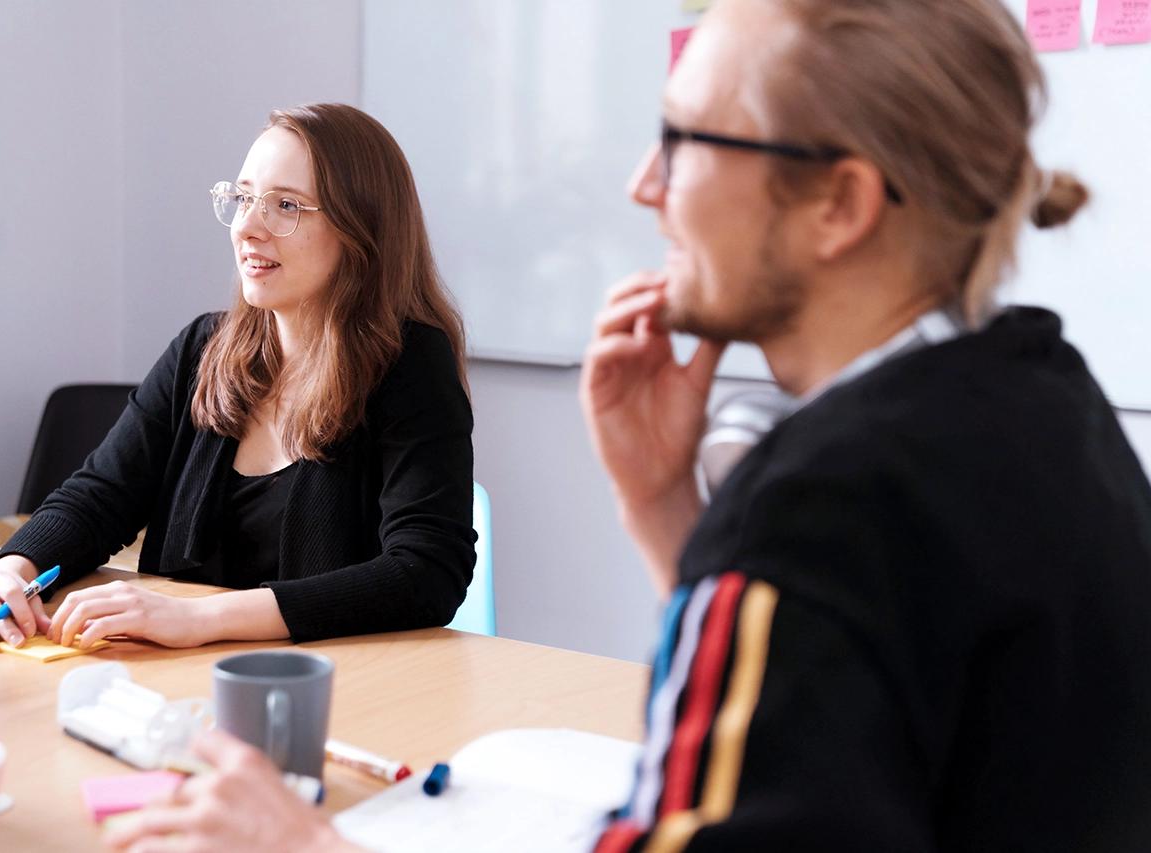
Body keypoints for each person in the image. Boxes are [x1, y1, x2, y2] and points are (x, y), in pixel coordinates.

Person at [106, 1, 1151, 850]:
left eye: (685, 143)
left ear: (838, 204)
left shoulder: (823, 506)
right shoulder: (1044, 392)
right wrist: (666, 511)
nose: (641, 185)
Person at [0, 104, 476, 652]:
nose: (248, 227)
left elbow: (425, 573)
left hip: (330, 686)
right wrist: (12, 570)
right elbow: (100, 498)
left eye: (285, 206)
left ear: (362, 230)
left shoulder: (410, 363)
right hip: (179, 679)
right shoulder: (202, 347)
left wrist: (200, 619)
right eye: (243, 198)